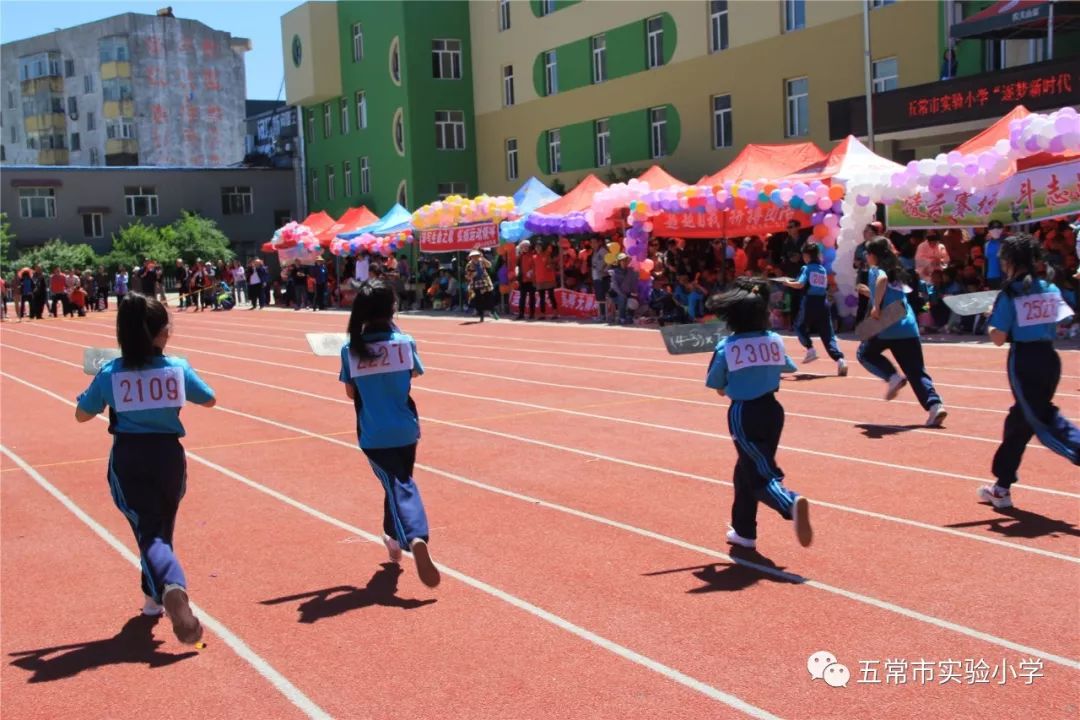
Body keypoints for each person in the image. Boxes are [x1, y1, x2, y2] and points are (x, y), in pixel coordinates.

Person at [74, 293, 216, 644]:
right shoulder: (176, 367)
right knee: (158, 528)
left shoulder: (110, 372)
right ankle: (153, 598)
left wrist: (89, 396)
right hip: (169, 458)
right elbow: (209, 398)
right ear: (161, 333)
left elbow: (82, 415)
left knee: (149, 532)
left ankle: (171, 588)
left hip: (129, 459)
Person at [339, 281, 440, 588]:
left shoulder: (351, 350)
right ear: (393, 309)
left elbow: (349, 393)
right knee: (396, 483)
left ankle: (415, 536)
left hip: (374, 434)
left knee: (399, 484)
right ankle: (393, 537)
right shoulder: (404, 343)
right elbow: (415, 373)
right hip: (407, 429)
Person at [705, 277, 812, 549]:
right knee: (745, 471)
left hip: (744, 413)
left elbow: (716, 384)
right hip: (773, 411)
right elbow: (788, 368)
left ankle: (790, 502)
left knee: (758, 474)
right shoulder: (774, 339)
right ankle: (744, 531)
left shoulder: (727, 346)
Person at [981, 234, 1079, 508]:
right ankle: (1001, 487)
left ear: (1010, 261)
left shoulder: (1010, 292)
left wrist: (992, 319)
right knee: (1019, 422)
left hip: (1024, 360)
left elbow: (998, 337)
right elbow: (1062, 319)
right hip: (1050, 358)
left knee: (1041, 420)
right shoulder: (1049, 287)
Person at [856, 237, 948, 427]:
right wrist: (871, 293)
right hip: (907, 324)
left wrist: (875, 306)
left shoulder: (877, 270)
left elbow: (882, 280)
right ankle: (935, 405)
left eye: (867, 252)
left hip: (886, 323)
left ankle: (892, 377)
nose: (866, 256)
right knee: (916, 371)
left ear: (874, 255)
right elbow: (890, 290)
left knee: (864, 353)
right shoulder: (899, 271)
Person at [784, 243, 847, 376]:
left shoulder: (806, 268)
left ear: (806, 255)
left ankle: (810, 348)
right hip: (823, 303)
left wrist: (787, 283)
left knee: (799, 326)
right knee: (828, 333)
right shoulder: (822, 269)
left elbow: (800, 284)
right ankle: (840, 359)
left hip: (810, 302)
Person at [465, 250, 497, 322]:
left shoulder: (482, 261)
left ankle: (492, 310)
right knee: (479, 299)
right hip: (476, 283)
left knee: (490, 296)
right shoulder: (469, 265)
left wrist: (484, 259)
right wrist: (472, 275)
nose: (475, 258)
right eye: (473, 256)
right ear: (471, 257)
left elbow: (489, 265)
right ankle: (481, 315)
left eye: (477, 256)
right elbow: (467, 276)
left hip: (485, 281)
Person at [515, 240, 538, 320]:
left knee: (532, 297)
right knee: (522, 297)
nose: (524, 248)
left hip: (531, 280)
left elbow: (536, 266)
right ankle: (521, 313)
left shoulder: (533, 255)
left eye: (526, 246)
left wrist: (532, 271)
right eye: (523, 247)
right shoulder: (520, 256)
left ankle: (532, 313)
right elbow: (518, 266)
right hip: (523, 280)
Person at [984, 220, 1005, 289]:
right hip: (991, 277)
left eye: (998, 228)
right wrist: (985, 281)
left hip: (1003, 276)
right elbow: (986, 262)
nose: (995, 230)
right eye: (992, 228)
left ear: (1002, 229)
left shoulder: (1005, 243)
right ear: (989, 230)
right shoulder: (987, 244)